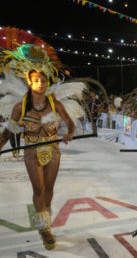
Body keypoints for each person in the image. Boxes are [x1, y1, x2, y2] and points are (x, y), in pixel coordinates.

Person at [0, 44, 82, 250]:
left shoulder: (54, 103)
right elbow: (8, 131)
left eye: (44, 80)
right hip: (31, 151)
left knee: (49, 189)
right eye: (37, 80)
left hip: (53, 150)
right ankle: (45, 229)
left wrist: (69, 133)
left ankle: (45, 214)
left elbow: (70, 123)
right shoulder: (20, 107)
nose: (41, 83)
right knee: (39, 188)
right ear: (29, 81)